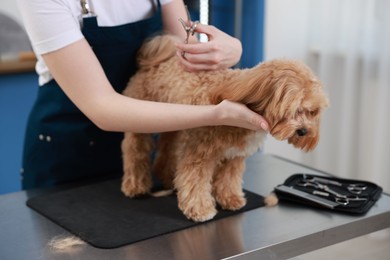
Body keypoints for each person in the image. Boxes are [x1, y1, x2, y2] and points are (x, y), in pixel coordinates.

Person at [17, 0, 269, 190]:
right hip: (70, 160)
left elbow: (185, 59)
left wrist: (230, 51)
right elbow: (102, 107)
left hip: (146, 149)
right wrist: (216, 115)